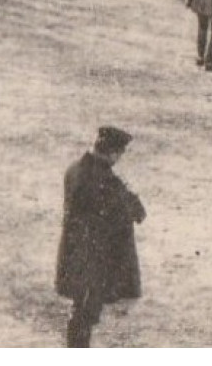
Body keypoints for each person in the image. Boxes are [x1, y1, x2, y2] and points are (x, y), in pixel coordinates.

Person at [56, 126, 146, 348]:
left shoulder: (75, 170)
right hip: (93, 259)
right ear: (114, 152)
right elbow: (134, 212)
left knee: (81, 310)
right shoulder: (105, 181)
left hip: (75, 254)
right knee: (85, 313)